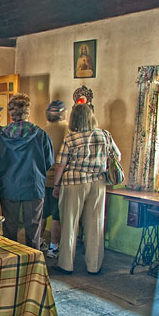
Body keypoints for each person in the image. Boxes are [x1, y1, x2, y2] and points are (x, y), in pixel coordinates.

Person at [52, 103, 120, 274]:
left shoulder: (71, 138)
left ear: (74, 118)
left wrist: (56, 184)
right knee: (95, 224)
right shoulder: (104, 134)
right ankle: (94, 265)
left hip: (74, 182)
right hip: (98, 182)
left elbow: (61, 163)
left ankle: (66, 264)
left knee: (70, 223)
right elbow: (117, 155)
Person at [0, 93, 54, 248]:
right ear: (28, 111)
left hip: (9, 185)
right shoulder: (40, 134)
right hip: (34, 185)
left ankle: (12, 264)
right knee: (34, 230)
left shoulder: (1, 135)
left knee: (10, 228)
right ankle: (33, 266)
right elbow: (49, 161)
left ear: (10, 113)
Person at [34, 100, 69, 258]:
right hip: (60, 179)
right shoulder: (69, 130)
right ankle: (54, 247)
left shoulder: (41, 131)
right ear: (64, 113)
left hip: (42, 178)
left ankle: (38, 242)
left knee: (41, 214)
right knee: (57, 216)